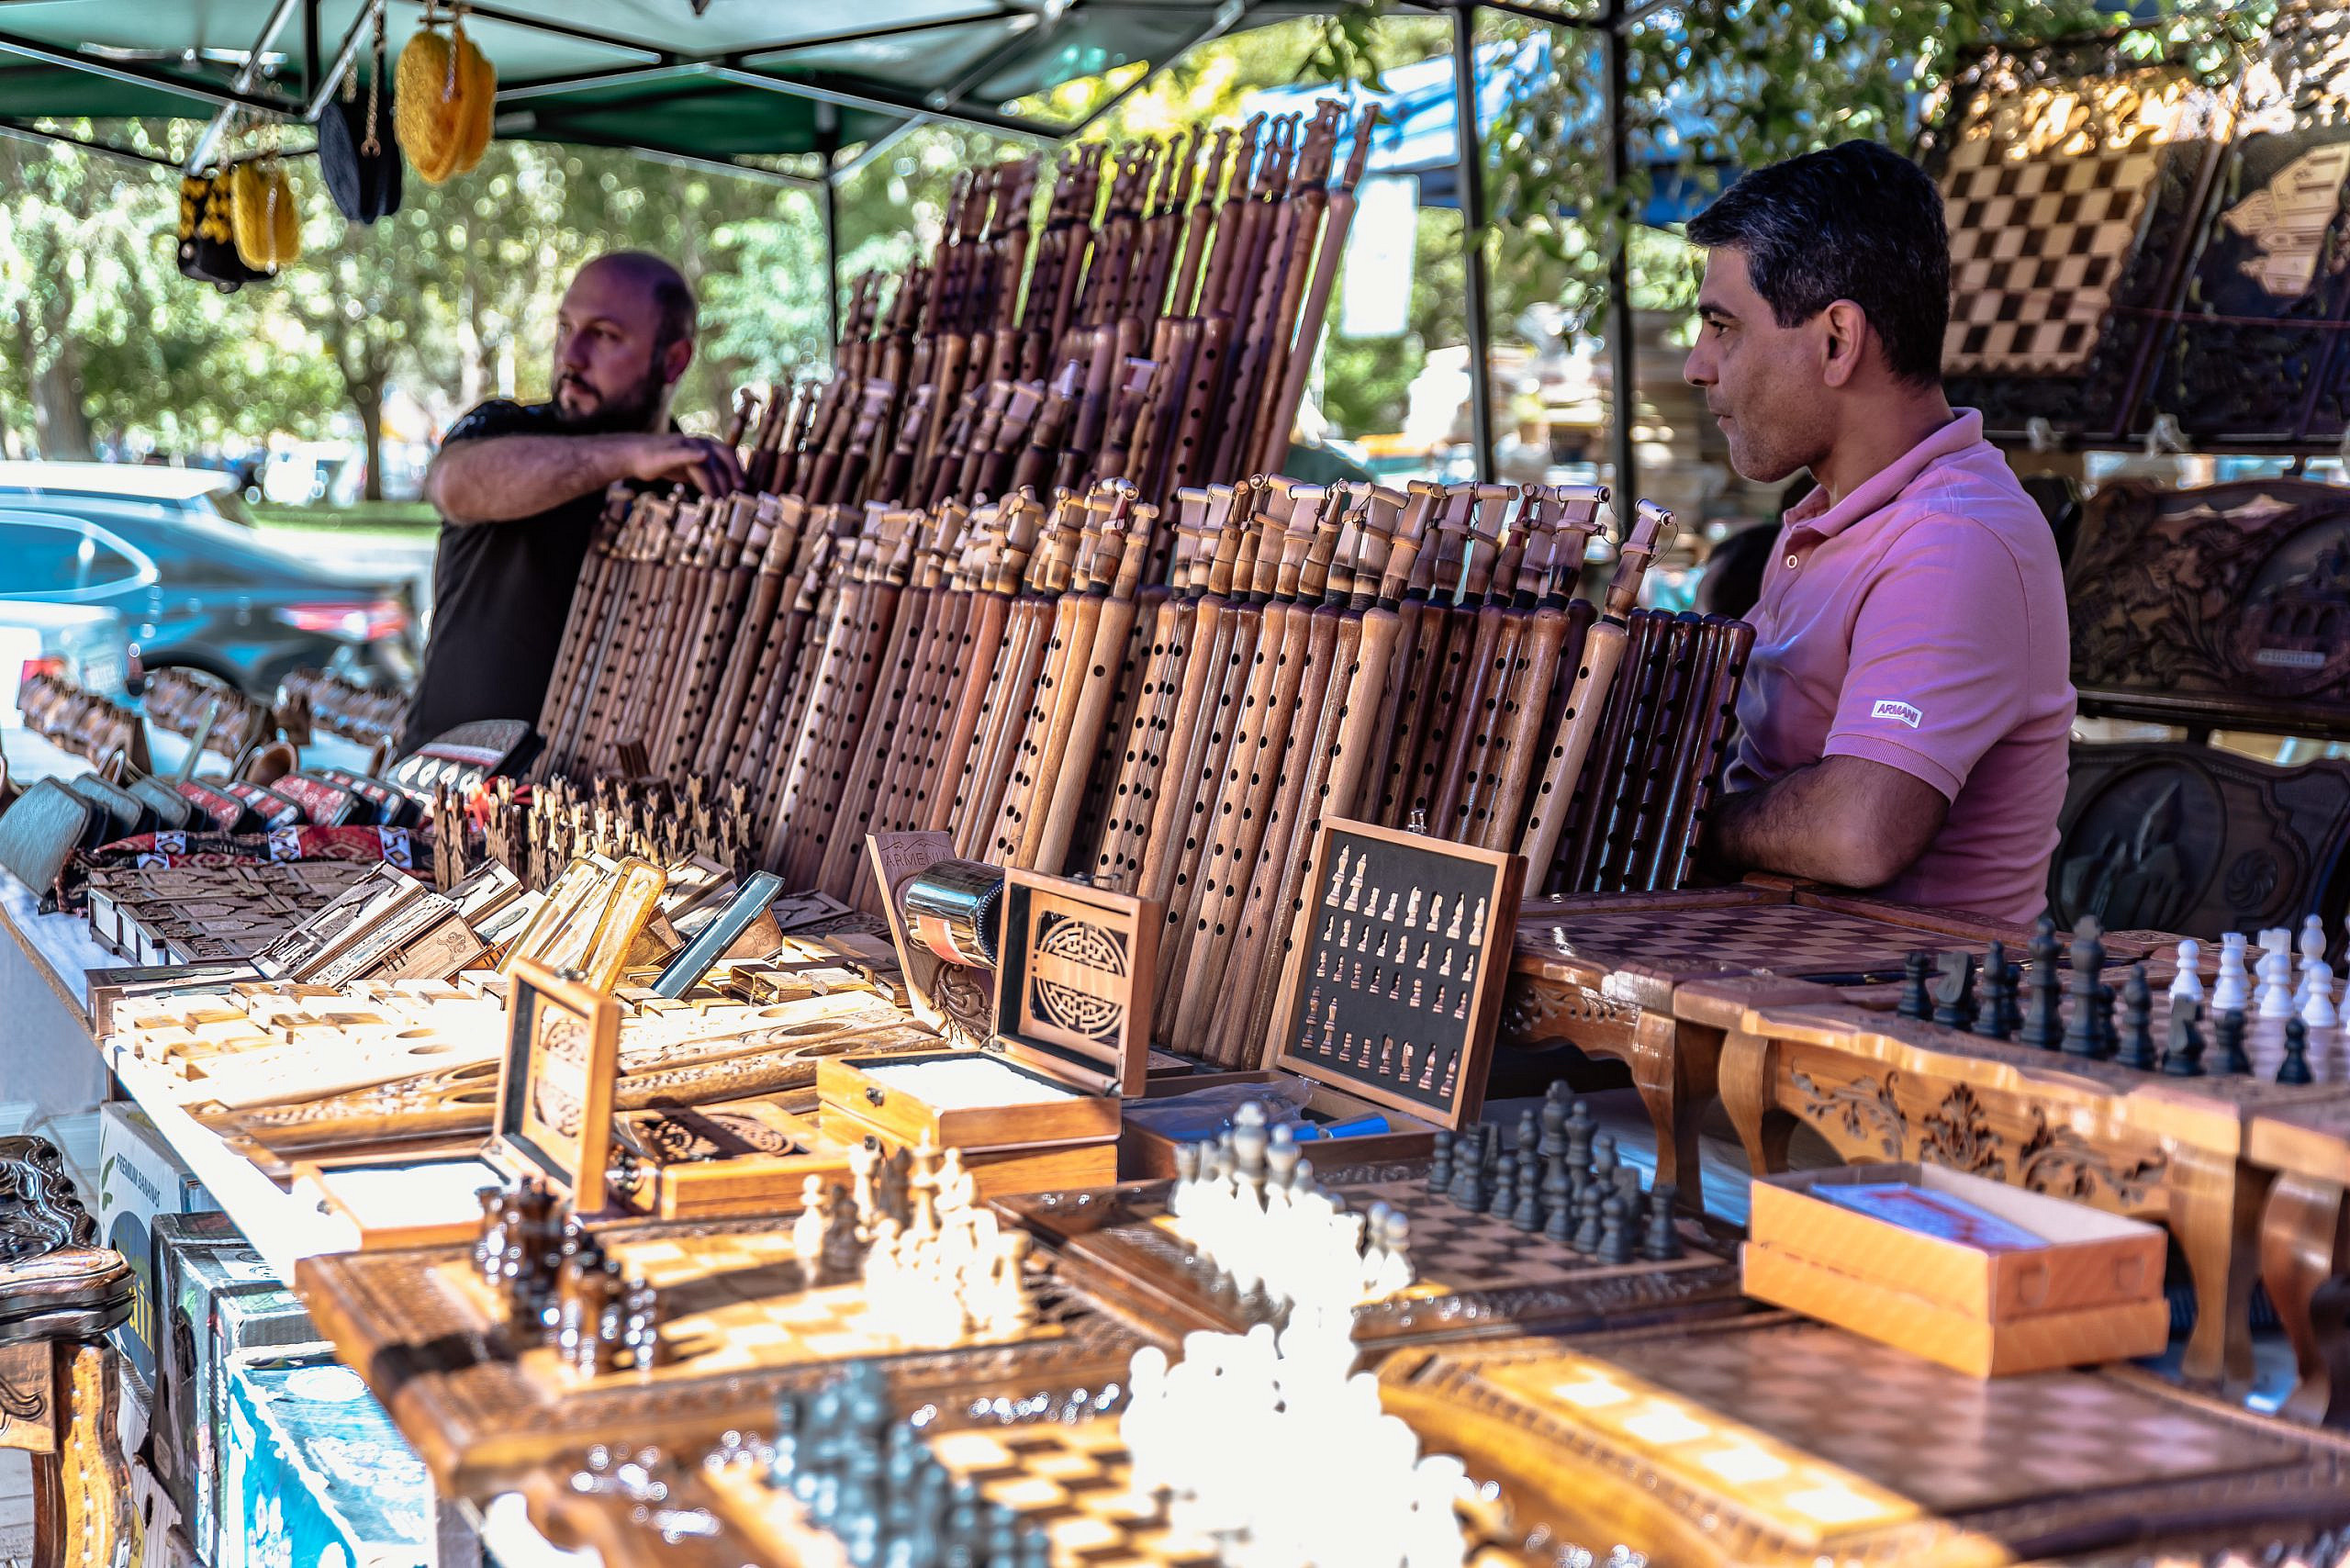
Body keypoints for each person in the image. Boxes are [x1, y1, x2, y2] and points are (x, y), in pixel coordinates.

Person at [1681, 140, 2073, 924]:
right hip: (1772, 985)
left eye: (1723, 326)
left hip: (1901, 1022)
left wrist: (1688, 827)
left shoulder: (1954, 539)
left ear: (1836, 341)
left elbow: (1858, 832)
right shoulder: (1827, 520)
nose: (1698, 365)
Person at [400, 252, 745, 750]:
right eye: (565, 328)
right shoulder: (507, 429)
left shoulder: (693, 487)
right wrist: (630, 455)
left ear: (674, 360)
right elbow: (454, 485)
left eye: (604, 335)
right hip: (448, 790)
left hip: (599, 810)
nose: (570, 355)